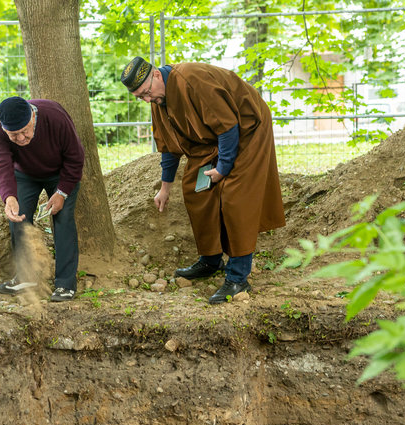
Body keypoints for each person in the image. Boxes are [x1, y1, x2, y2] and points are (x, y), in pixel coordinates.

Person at [120, 57, 286, 304]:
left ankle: (238, 278)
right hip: (212, 140)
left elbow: (228, 127)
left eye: (146, 93)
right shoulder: (158, 100)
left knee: (235, 198)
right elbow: (169, 147)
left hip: (248, 129)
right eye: (140, 97)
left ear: (155, 75)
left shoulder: (192, 80)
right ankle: (211, 260)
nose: (146, 100)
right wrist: (165, 188)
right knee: (196, 190)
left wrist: (222, 168)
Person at [0, 96, 84, 302]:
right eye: (14, 135)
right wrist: (9, 197)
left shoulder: (55, 116)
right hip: (24, 174)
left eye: (25, 131)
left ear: (33, 116)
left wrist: (62, 192)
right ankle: (26, 278)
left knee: (63, 218)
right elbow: (1, 164)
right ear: (4, 130)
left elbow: (75, 158)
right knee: (18, 216)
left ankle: (65, 284)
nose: (21, 139)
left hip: (60, 172)